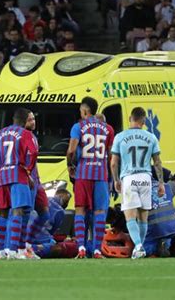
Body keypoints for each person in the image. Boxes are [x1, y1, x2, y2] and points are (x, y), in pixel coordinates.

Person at [0, 108, 38, 259]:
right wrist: (29, 170)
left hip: (3, 176)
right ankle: (14, 251)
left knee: (4, 213)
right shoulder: (26, 134)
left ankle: (2, 250)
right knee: (20, 211)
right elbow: (34, 152)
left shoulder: (0, 133)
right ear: (25, 121)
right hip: (18, 175)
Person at [110, 107, 165, 259]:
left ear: (130, 118)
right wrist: (160, 183)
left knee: (130, 216)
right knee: (143, 217)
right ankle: (139, 247)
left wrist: (116, 180)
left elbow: (114, 163)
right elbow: (157, 162)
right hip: (145, 177)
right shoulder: (151, 137)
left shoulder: (120, 137)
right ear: (143, 121)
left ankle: (139, 246)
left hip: (129, 177)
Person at [66, 97, 114, 259]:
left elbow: (71, 150)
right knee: (100, 211)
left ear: (85, 110)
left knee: (80, 210)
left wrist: (70, 167)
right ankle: (97, 250)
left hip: (83, 174)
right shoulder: (108, 129)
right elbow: (110, 156)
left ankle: (81, 247)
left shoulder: (78, 127)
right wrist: (111, 177)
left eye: (81, 110)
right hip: (101, 175)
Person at [144, 167, 175, 257]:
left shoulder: (143, 189)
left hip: (154, 227)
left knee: (145, 242)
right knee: (166, 233)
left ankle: (152, 251)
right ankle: (165, 245)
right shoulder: (168, 187)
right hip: (173, 226)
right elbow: (171, 178)